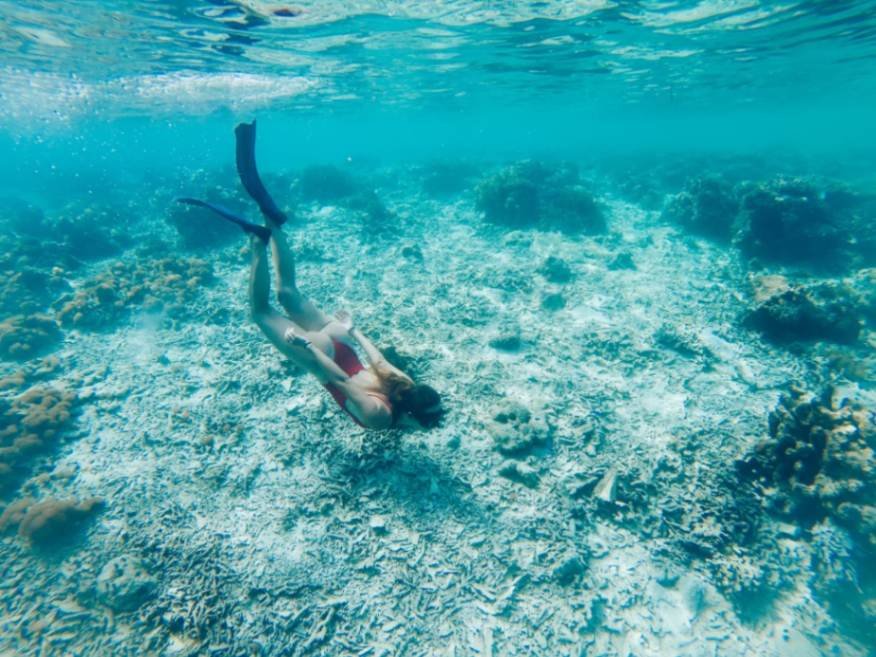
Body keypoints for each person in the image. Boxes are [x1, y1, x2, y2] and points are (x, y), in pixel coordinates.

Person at [178, 121, 444, 430]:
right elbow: (339, 379)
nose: (427, 427)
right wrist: (308, 350)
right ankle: (256, 242)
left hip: (341, 338)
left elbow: (380, 362)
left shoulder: (408, 385)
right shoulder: (380, 416)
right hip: (324, 353)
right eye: (425, 423)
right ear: (409, 414)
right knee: (261, 310)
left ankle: (273, 223)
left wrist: (354, 331)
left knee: (287, 291)